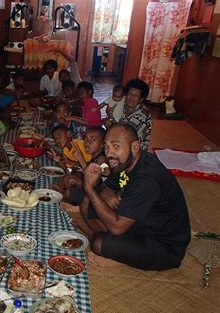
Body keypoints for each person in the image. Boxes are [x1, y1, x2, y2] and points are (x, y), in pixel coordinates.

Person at [80, 123, 190, 270]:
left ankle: (120, 258)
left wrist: (89, 188)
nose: (109, 153)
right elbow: (106, 187)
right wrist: (106, 194)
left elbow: (117, 228)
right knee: (88, 202)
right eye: (106, 147)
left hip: (164, 245)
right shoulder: (126, 162)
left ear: (135, 147)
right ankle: (115, 247)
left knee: (99, 243)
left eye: (116, 146)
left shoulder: (146, 178)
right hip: (140, 224)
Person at [53, 126, 109, 206]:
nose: (87, 142)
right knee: (68, 178)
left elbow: (106, 172)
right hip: (89, 187)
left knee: (69, 192)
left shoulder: (101, 159)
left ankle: (76, 208)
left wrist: (80, 158)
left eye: (93, 139)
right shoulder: (94, 157)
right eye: (85, 138)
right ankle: (63, 194)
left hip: (98, 194)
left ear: (102, 144)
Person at [119, 78, 152, 151]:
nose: (131, 98)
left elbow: (126, 136)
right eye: (130, 94)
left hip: (135, 150)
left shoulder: (142, 114)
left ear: (141, 99)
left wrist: (110, 125)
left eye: (136, 96)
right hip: (122, 143)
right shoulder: (123, 106)